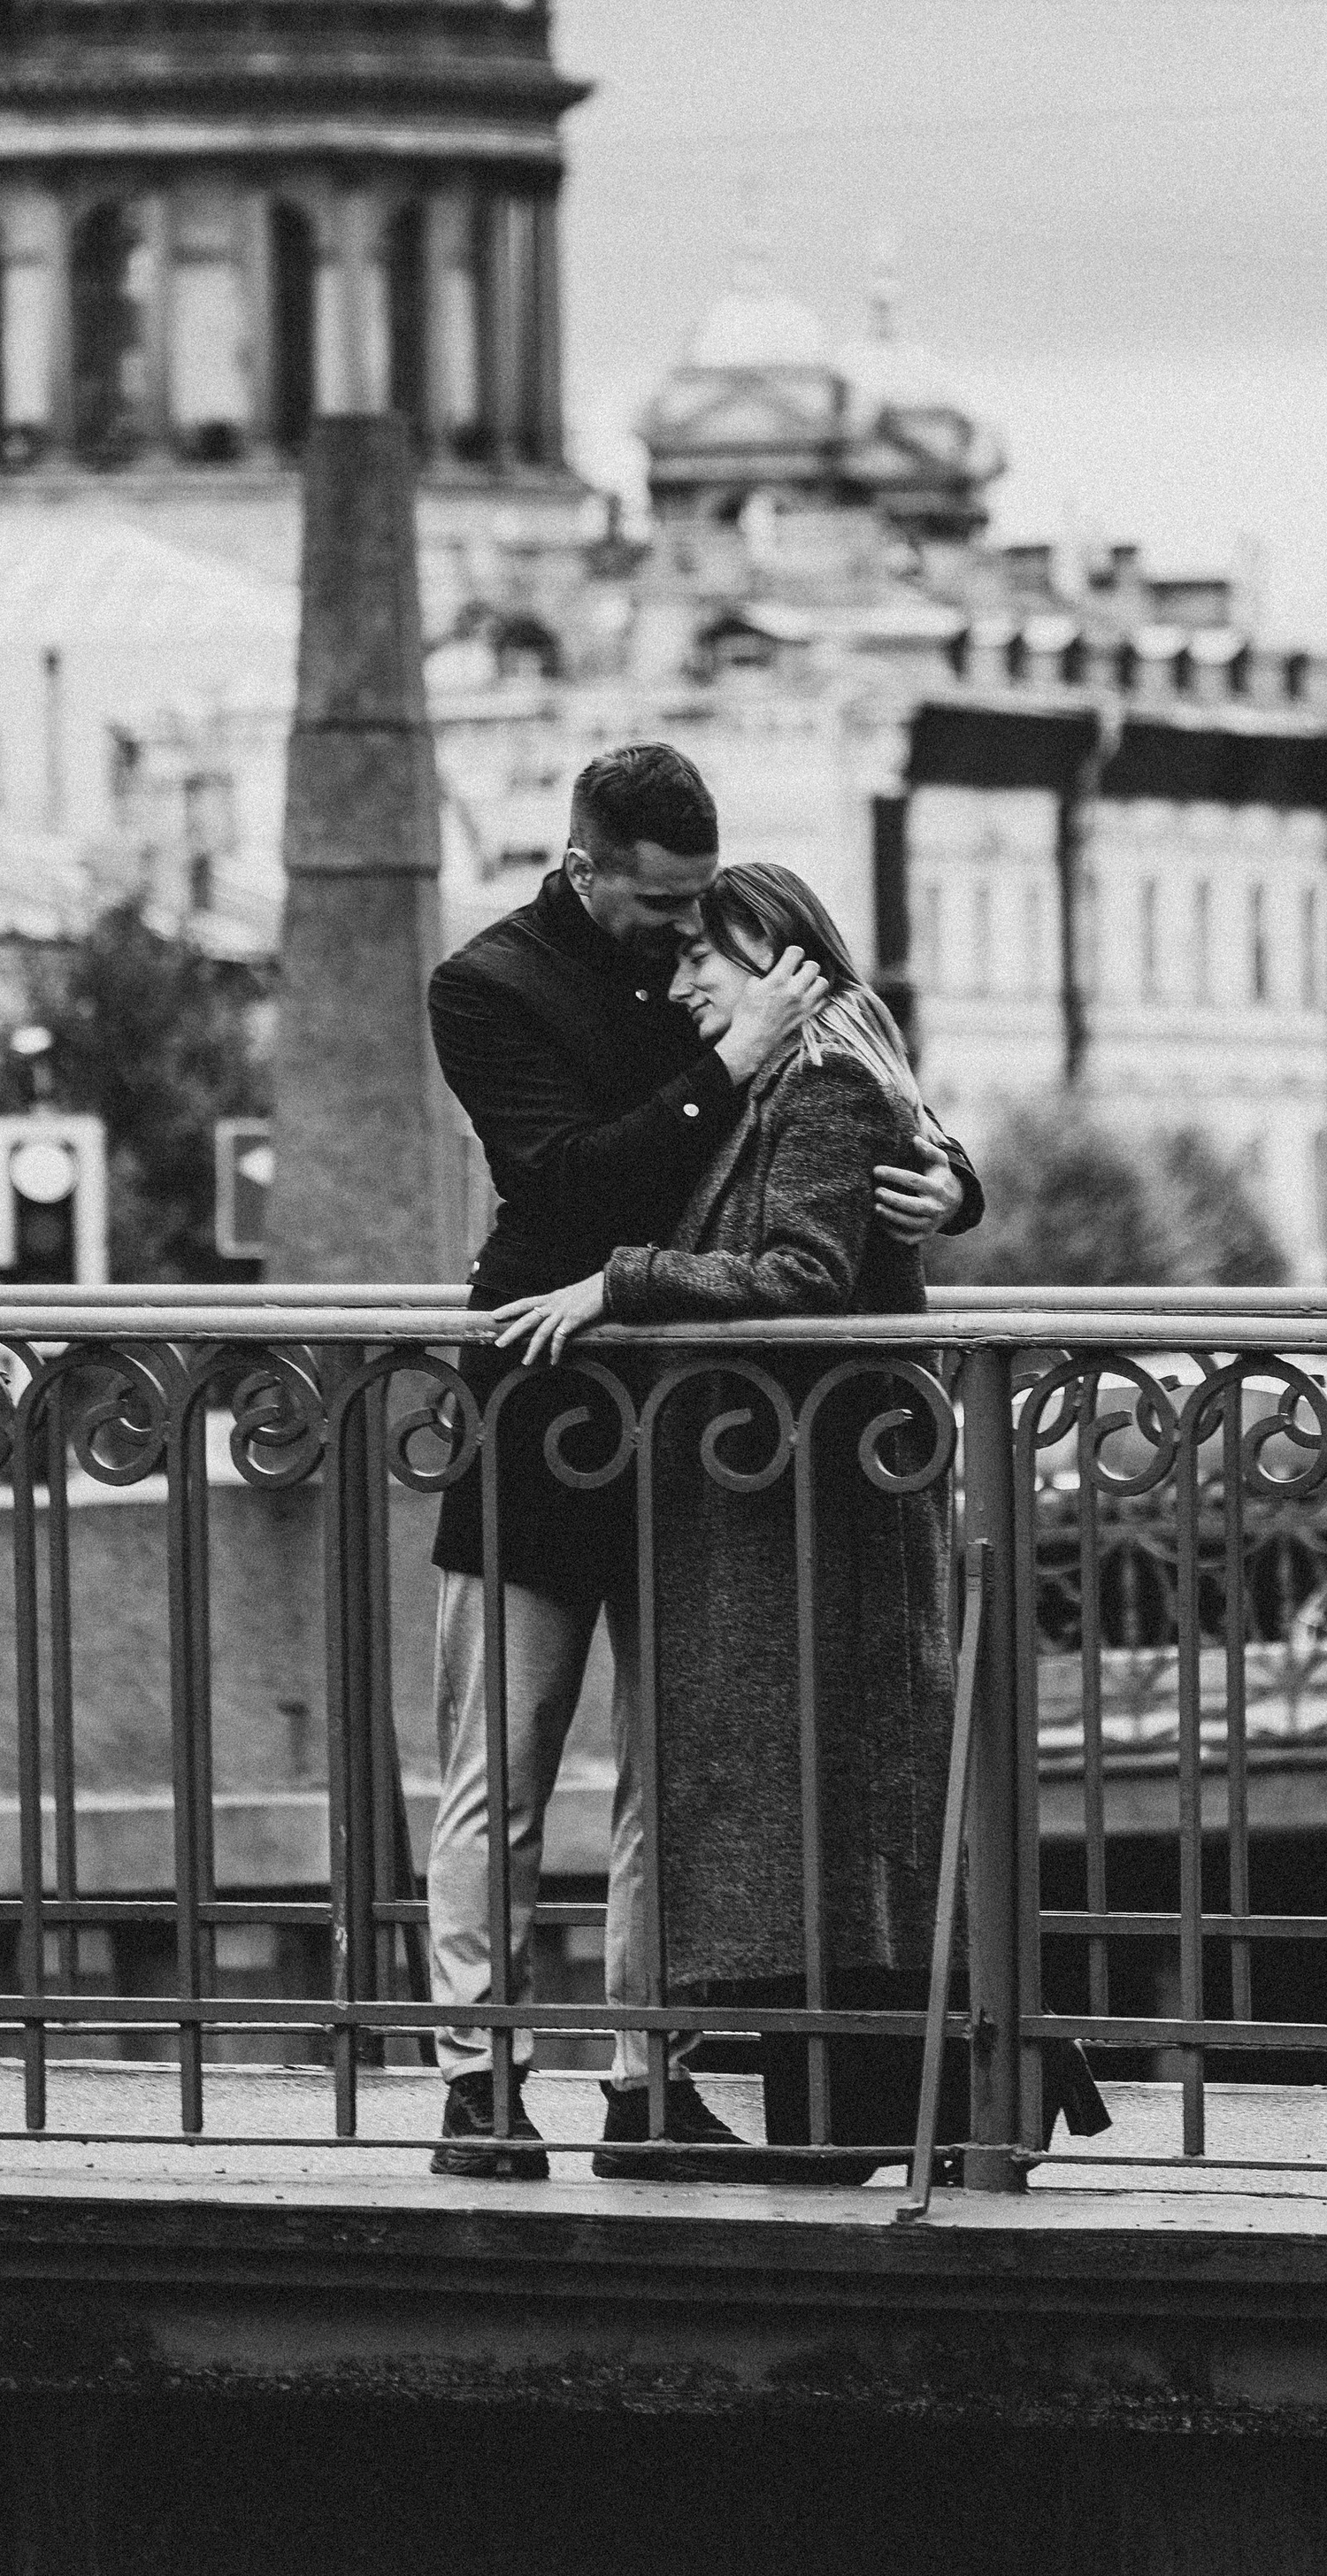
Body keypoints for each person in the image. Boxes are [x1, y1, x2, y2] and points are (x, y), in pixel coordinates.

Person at [493, 861, 1110, 2175]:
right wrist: (947, 1165)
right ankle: (908, 2110)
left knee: (851, 1803)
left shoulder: (822, 1081)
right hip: (787, 1501)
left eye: (706, 957)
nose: (678, 982)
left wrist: (616, 1285)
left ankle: (927, 2108)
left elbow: (799, 1272)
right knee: (836, 1808)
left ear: (780, 957)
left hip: (828, 1506)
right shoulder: (787, 1072)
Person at [424, 749, 979, 2179]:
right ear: (583, 863)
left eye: (697, 914)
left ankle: (643, 2077)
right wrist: (722, 1064)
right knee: (506, 1768)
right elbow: (568, 1180)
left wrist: (950, 1175)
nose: (681, 940)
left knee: (674, 1782)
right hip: (548, 1409)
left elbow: (836, 1096)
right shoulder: (487, 987)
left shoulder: (735, 973)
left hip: (700, 1445)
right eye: (658, 905)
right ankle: (477, 2081)